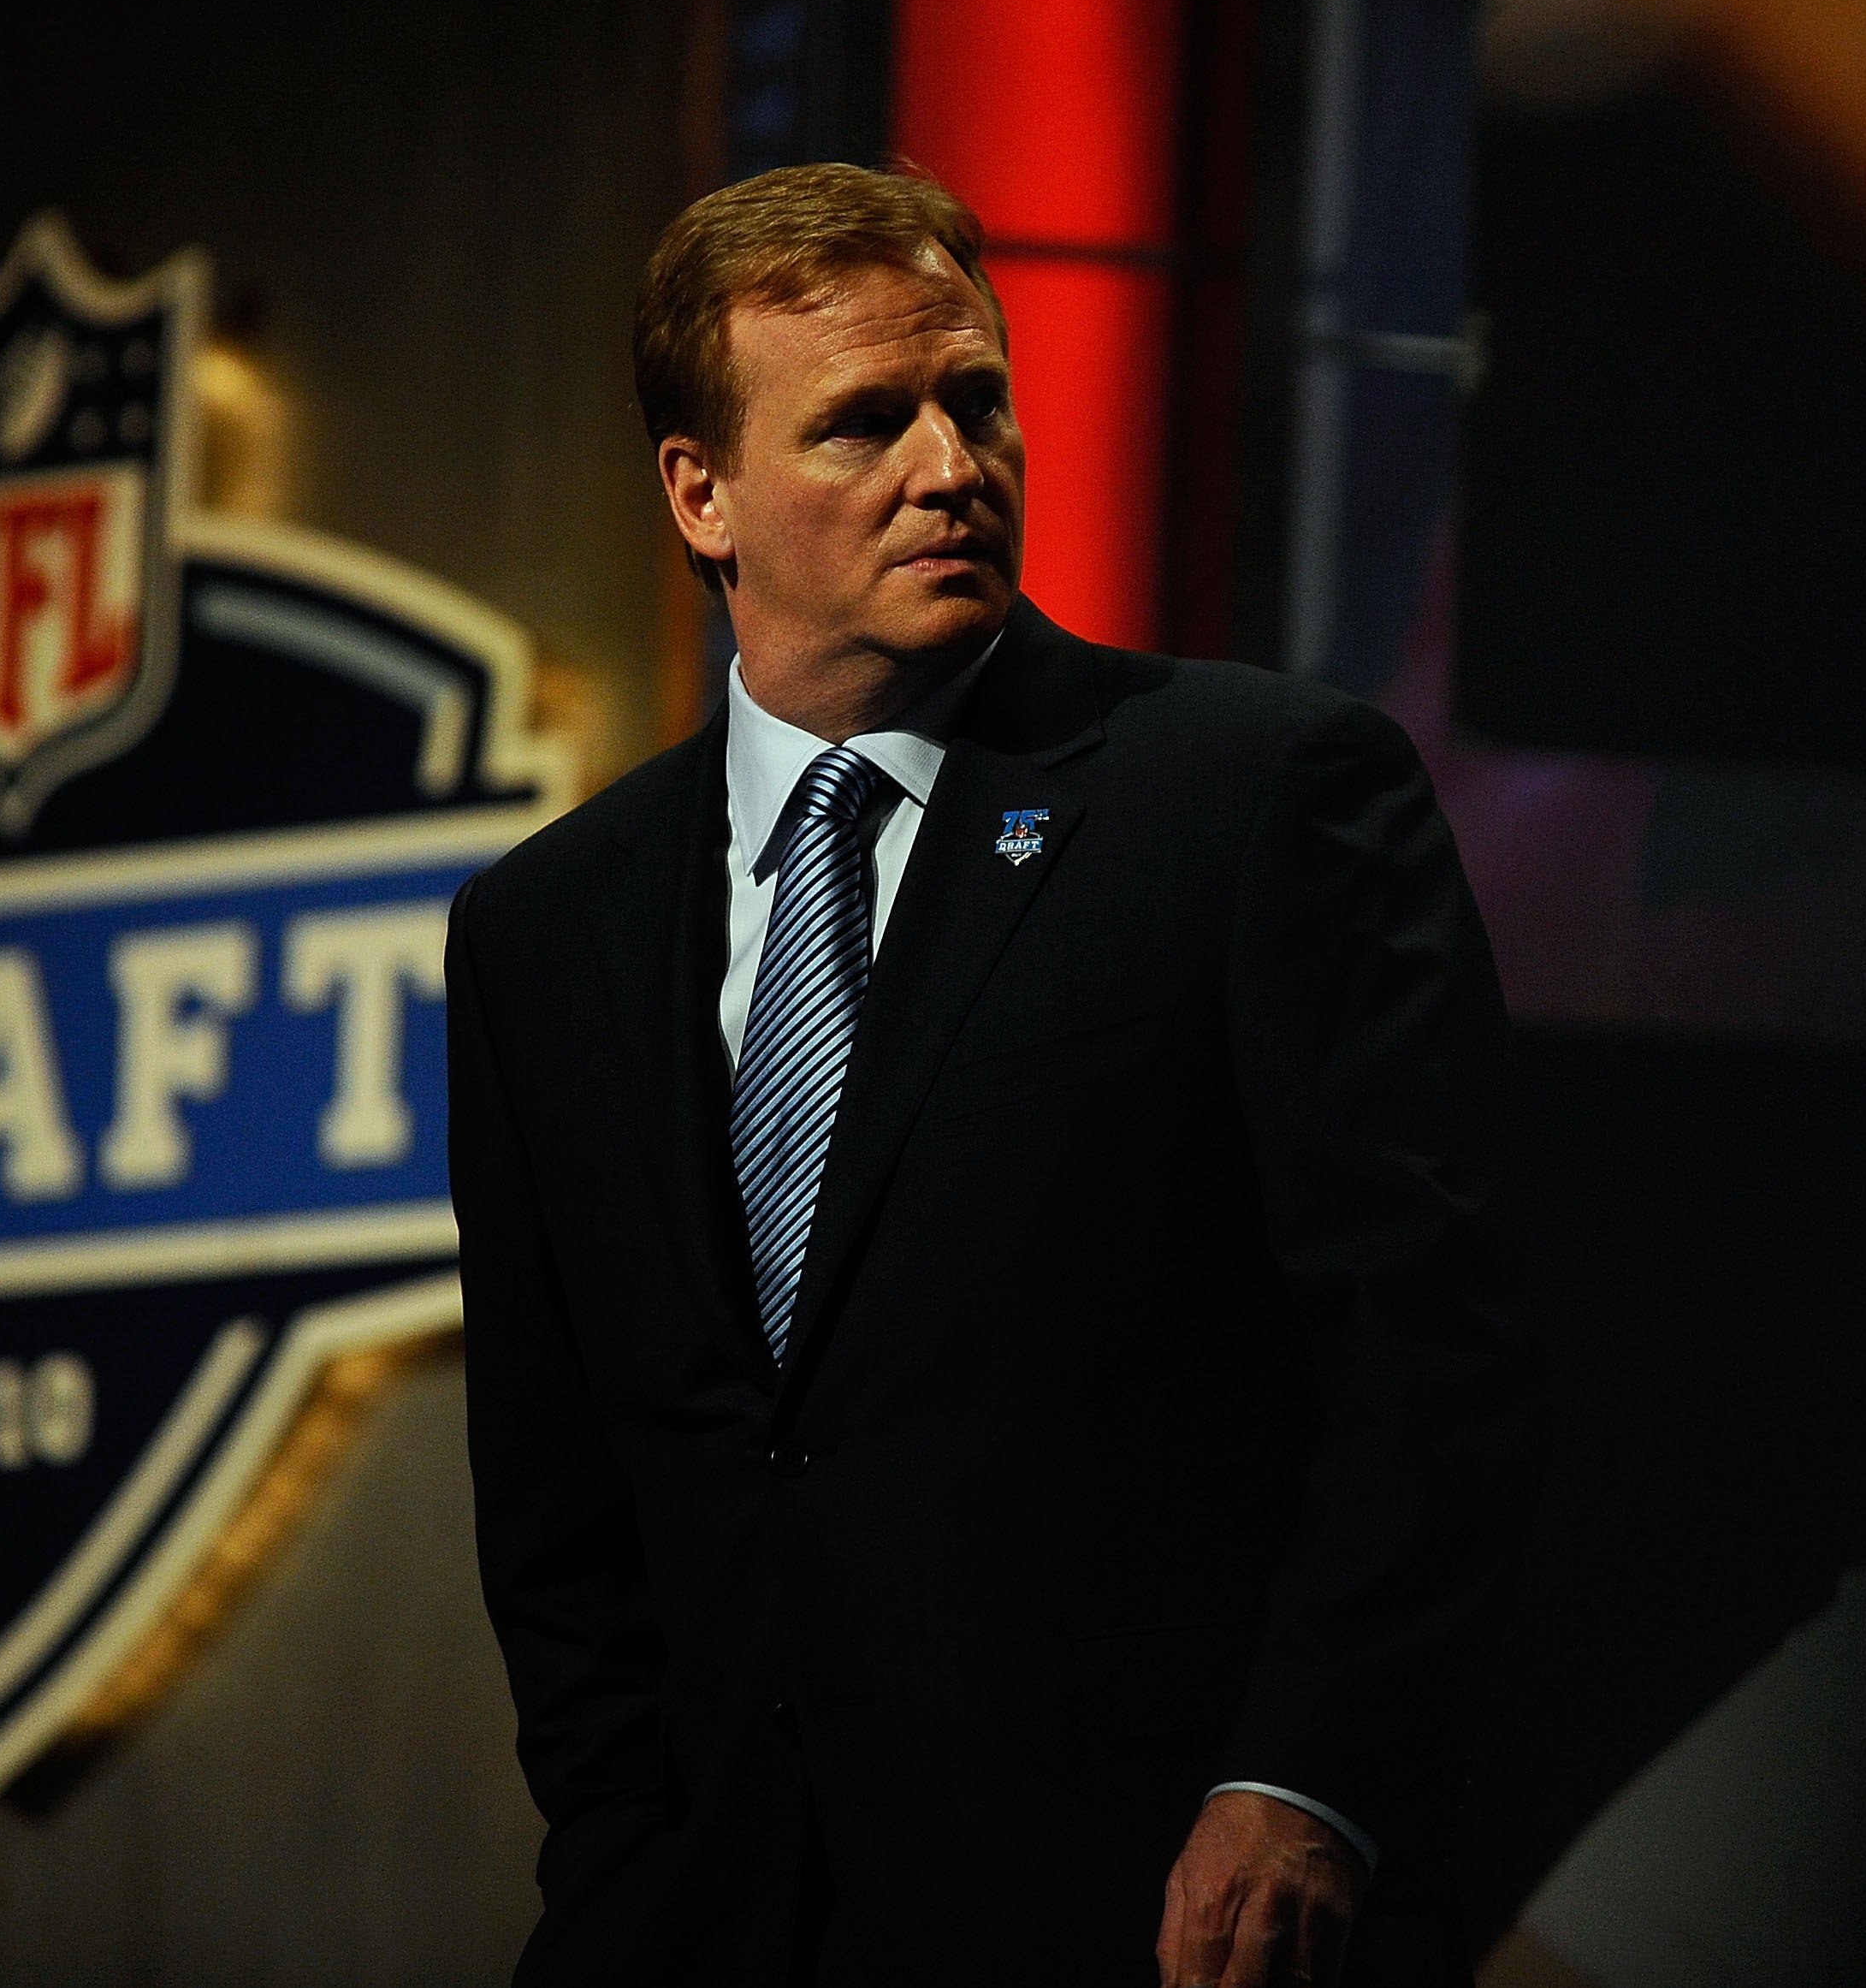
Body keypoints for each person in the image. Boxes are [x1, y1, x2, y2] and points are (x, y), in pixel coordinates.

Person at [445, 162, 1520, 1988]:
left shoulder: (1255, 796)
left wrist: (1299, 1778)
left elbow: (1428, 1347)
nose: (950, 465)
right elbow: (560, 1504)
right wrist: (623, 1867)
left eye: (975, 400)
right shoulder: (544, 932)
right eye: (865, 423)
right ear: (699, 494)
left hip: (1158, 1917)